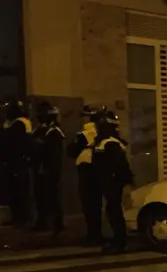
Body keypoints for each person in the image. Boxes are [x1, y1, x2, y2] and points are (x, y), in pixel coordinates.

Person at [92, 110, 133, 254]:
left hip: (113, 183)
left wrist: (116, 181)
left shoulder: (110, 143)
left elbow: (119, 165)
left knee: (114, 211)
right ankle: (118, 240)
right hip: (109, 183)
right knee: (112, 211)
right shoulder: (106, 141)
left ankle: (120, 242)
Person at [67, 106, 104, 244]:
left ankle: (93, 235)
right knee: (96, 204)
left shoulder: (84, 134)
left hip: (86, 170)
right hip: (97, 170)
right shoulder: (101, 132)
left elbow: (71, 152)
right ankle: (96, 234)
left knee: (88, 204)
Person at [31, 101, 65, 233]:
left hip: (50, 169)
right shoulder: (40, 130)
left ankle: (57, 223)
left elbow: (52, 152)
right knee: (40, 196)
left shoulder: (54, 132)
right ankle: (42, 221)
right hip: (40, 167)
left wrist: (40, 147)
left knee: (52, 196)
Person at [1, 98, 32, 228]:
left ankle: (22, 217)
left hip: (18, 160)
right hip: (11, 160)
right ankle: (16, 216)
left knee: (20, 190)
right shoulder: (12, 123)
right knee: (13, 190)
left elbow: (16, 143)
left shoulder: (20, 123)